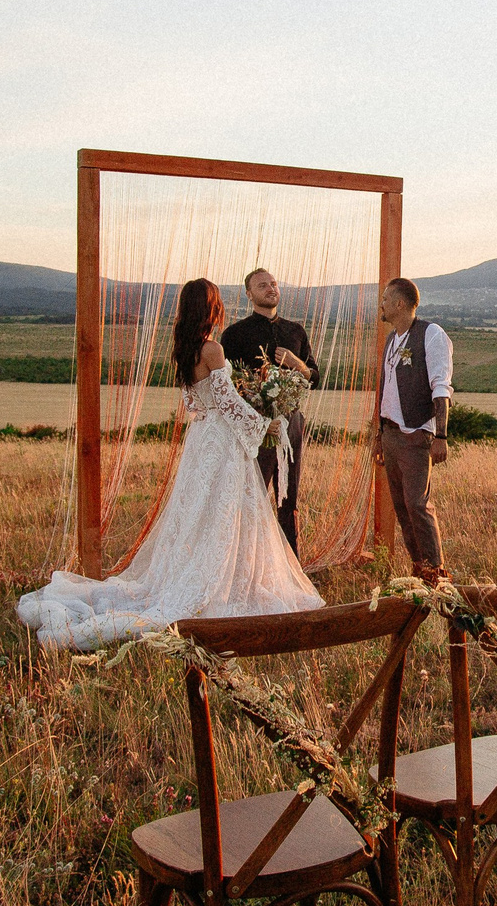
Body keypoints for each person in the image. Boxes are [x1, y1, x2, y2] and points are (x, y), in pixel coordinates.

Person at [17, 278, 321, 649]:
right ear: (211, 308)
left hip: (201, 440)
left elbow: (195, 405)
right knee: (226, 513)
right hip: (222, 443)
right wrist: (264, 423)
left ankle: (205, 573)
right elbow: (228, 405)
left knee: (201, 514)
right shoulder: (212, 349)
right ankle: (221, 579)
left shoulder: (186, 350)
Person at [220, 266, 316, 553]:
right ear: (249, 294)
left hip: (292, 423)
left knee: (289, 498)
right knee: (253, 495)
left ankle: (291, 566)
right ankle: (249, 560)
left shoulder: (295, 331)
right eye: (262, 286)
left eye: (273, 284)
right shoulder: (235, 334)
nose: (271, 288)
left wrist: (297, 364)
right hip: (254, 428)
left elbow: (315, 376)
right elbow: (226, 385)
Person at [371, 276, 451, 580]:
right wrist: (380, 435)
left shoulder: (431, 334)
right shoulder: (393, 338)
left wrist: (440, 435)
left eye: (385, 299)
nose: (381, 304)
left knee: (418, 504)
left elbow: (440, 388)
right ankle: (419, 567)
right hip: (390, 434)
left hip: (416, 434)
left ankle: (436, 572)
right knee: (403, 507)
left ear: (400, 304)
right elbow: (388, 389)